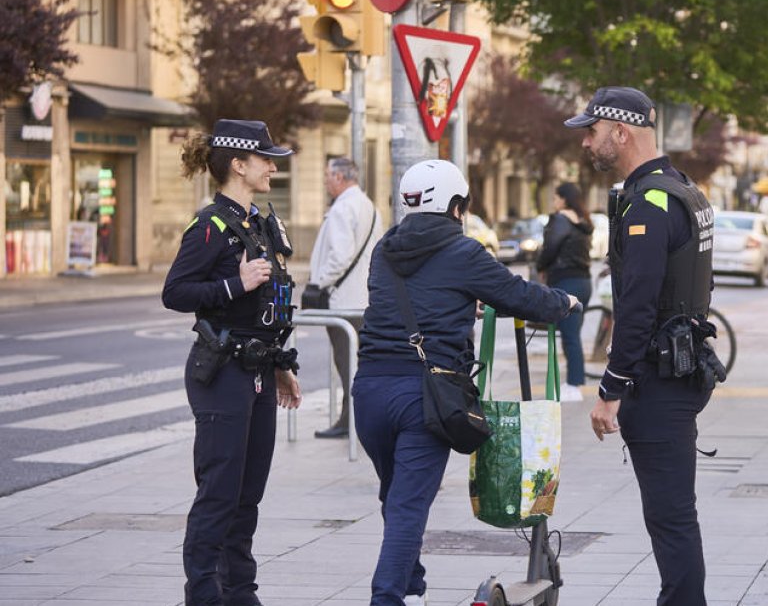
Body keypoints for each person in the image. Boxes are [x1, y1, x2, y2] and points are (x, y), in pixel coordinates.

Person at [353, 159, 579, 606]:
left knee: (395, 497)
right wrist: (565, 301)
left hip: (370, 391)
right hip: (424, 395)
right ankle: (387, 598)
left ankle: (413, 587)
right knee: (407, 507)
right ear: (457, 206)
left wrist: (459, 308)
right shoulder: (464, 252)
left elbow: (411, 299)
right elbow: (519, 296)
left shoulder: (385, 249)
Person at [565, 86, 717, 605]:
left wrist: (611, 389)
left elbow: (637, 306)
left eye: (593, 131)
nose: (587, 143)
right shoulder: (682, 189)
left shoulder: (648, 203)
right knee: (675, 516)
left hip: (658, 383)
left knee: (671, 520)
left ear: (621, 132)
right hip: (683, 370)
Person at [162, 119, 304, 606]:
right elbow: (175, 292)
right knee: (220, 493)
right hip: (221, 373)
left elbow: (266, 310)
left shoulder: (259, 223)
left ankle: (240, 593)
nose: (272, 166)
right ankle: (204, 594)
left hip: (259, 370)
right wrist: (232, 285)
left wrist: (280, 363)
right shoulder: (210, 225)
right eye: (265, 159)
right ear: (238, 165)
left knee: (247, 496)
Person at [309, 157, 383, 438]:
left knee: (346, 365)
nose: (326, 181)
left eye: (328, 176)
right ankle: (357, 419)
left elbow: (340, 256)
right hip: (365, 299)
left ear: (340, 178)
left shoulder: (342, 209)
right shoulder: (369, 206)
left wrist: (319, 282)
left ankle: (349, 421)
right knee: (363, 365)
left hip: (344, 301)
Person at [536, 181, 594, 401]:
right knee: (573, 333)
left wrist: (541, 266)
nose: (554, 202)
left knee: (570, 335)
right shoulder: (583, 221)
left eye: (555, 198)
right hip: (583, 282)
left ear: (564, 199)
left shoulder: (560, 220)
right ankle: (574, 381)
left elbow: (550, 247)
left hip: (566, 280)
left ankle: (574, 384)